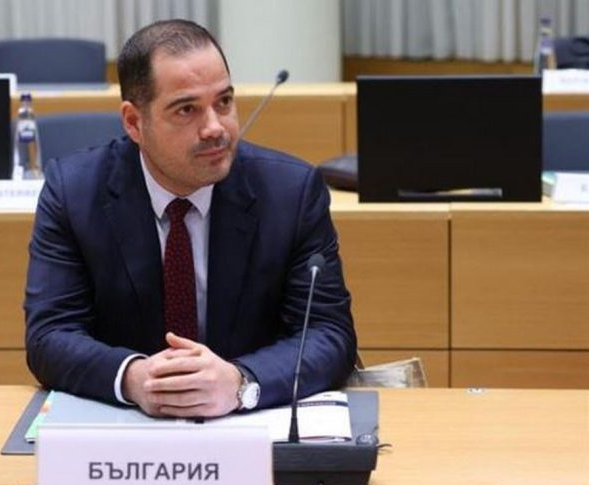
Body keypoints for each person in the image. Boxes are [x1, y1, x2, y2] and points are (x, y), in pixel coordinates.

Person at [24, 19, 356, 419]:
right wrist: (134, 378)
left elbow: (328, 333)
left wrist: (242, 382)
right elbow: (50, 335)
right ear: (134, 122)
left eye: (224, 102)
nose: (215, 128)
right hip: (125, 433)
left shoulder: (290, 192)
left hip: (251, 427)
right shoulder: (74, 192)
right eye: (187, 109)